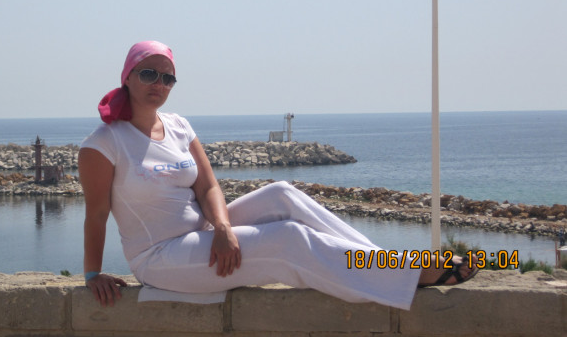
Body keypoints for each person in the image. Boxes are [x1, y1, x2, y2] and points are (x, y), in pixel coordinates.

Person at [78, 40, 478, 309]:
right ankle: (409, 274)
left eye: (167, 77)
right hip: (160, 257)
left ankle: (383, 264)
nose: (159, 84)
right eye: (149, 74)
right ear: (128, 76)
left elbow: (208, 185)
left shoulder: (179, 126)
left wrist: (222, 227)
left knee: (282, 193)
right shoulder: (104, 143)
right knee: (287, 239)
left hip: (203, 232)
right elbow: (96, 214)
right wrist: (92, 273)